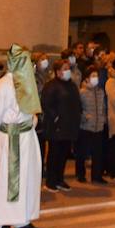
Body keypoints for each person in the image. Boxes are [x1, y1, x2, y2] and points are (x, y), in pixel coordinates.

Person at [0, 44, 43, 228]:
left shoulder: (26, 83)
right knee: (8, 182)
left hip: (28, 137)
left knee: (27, 179)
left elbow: (31, 110)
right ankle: (4, 223)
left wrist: (32, 121)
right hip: (11, 139)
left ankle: (23, 221)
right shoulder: (2, 86)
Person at [40, 59, 80, 191]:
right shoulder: (51, 86)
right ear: (58, 72)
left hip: (69, 126)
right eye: (64, 68)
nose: (68, 70)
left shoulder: (72, 85)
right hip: (56, 127)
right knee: (54, 154)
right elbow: (46, 104)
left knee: (63, 154)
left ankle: (59, 179)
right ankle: (51, 181)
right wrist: (56, 117)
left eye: (68, 68)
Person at [76, 63, 107, 183]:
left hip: (98, 127)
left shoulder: (100, 92)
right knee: (82, 153)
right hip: (85, 127)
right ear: (87, 78)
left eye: (97, 76)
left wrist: (103, 118)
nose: (96, 78)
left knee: (98, 153)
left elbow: (103, 107)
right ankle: (80, 174)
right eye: (93, 76)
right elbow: (77, 109)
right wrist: (84, 117)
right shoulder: (82, 92)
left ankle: (96, 176)